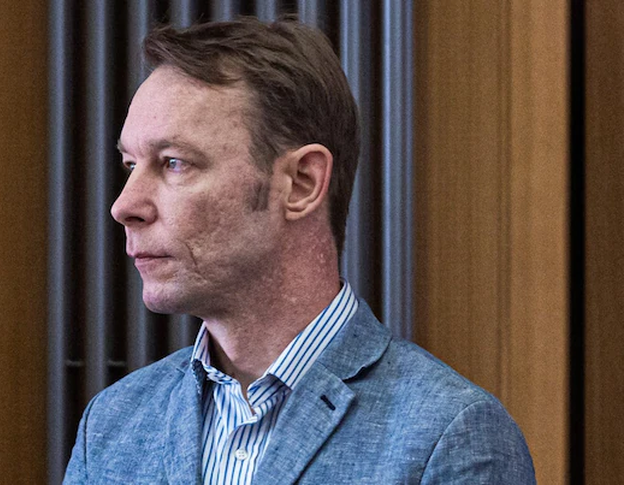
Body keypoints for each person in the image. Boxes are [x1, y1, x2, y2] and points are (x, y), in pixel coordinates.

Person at [63, 17, 535, 484]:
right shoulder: (112, 423)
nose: (124, 206)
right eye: (131, 165)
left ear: (301, 183)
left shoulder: (448, 436)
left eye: (174, 163)